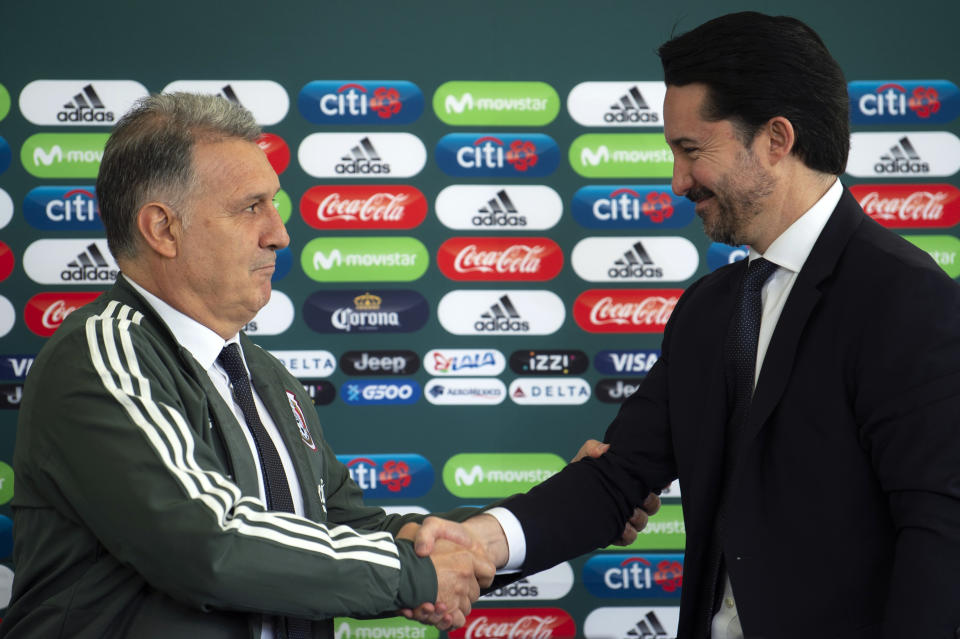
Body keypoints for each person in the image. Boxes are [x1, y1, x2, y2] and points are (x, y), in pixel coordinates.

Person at [413, 12, 960, 639]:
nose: (677, 181)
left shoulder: (904, 297)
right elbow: (618, 478)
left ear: (776, 140)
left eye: (691, 150)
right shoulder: (712, 306)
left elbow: (942, 535)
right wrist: (476, 541)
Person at [1, 93, 493, 638]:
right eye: (250, 207)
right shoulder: (101, 355)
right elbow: (209, 542)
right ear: (163, 229)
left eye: (274, 205)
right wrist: (415, 575)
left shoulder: (264, 374)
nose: (279, 233)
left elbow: (334, 528)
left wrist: (430, 543)